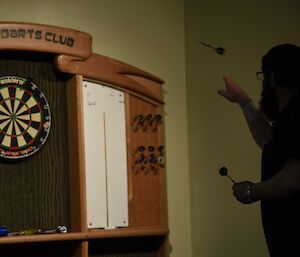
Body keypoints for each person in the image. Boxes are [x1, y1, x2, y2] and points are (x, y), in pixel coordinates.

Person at [218, 44, 300, 257]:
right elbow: (268, 140)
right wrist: (244, 101)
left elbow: (293, 179)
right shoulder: (290, 117)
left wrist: (251, 191)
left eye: (262, 76)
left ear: (272, 77)